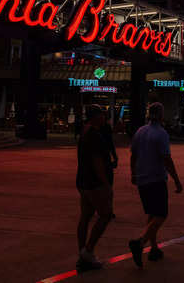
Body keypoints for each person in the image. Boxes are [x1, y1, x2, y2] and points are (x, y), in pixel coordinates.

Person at [129, 102, 183, 267]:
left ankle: (153, 249)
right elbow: (166, 159)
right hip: (156, 179)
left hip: (142, 179)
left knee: (152, 215)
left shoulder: (140, 131)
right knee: (161, 214)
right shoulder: (161, 134)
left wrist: (133, 173)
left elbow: (133, 155)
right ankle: (141, 242)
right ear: (160, 115)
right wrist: (176, 179)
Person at [76, 105, 113, 272]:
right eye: (102, 115)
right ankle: (88, 251)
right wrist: (106, 185)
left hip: (83, 180)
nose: (104, 117)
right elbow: (97, 162)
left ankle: (82, 253)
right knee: (105, 215)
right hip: (94, 182)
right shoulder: (94, 135)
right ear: (96, 116)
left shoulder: (85, 131)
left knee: (86, 216)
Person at [100, 111, 118, 218]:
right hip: (104, 160)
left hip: (102, 159)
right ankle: (108, 209)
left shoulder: (90, 129)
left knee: (100, 186)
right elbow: (110, 144)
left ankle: (101, 208)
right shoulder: (106, 127)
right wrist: (115, 157)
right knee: (108, 186)